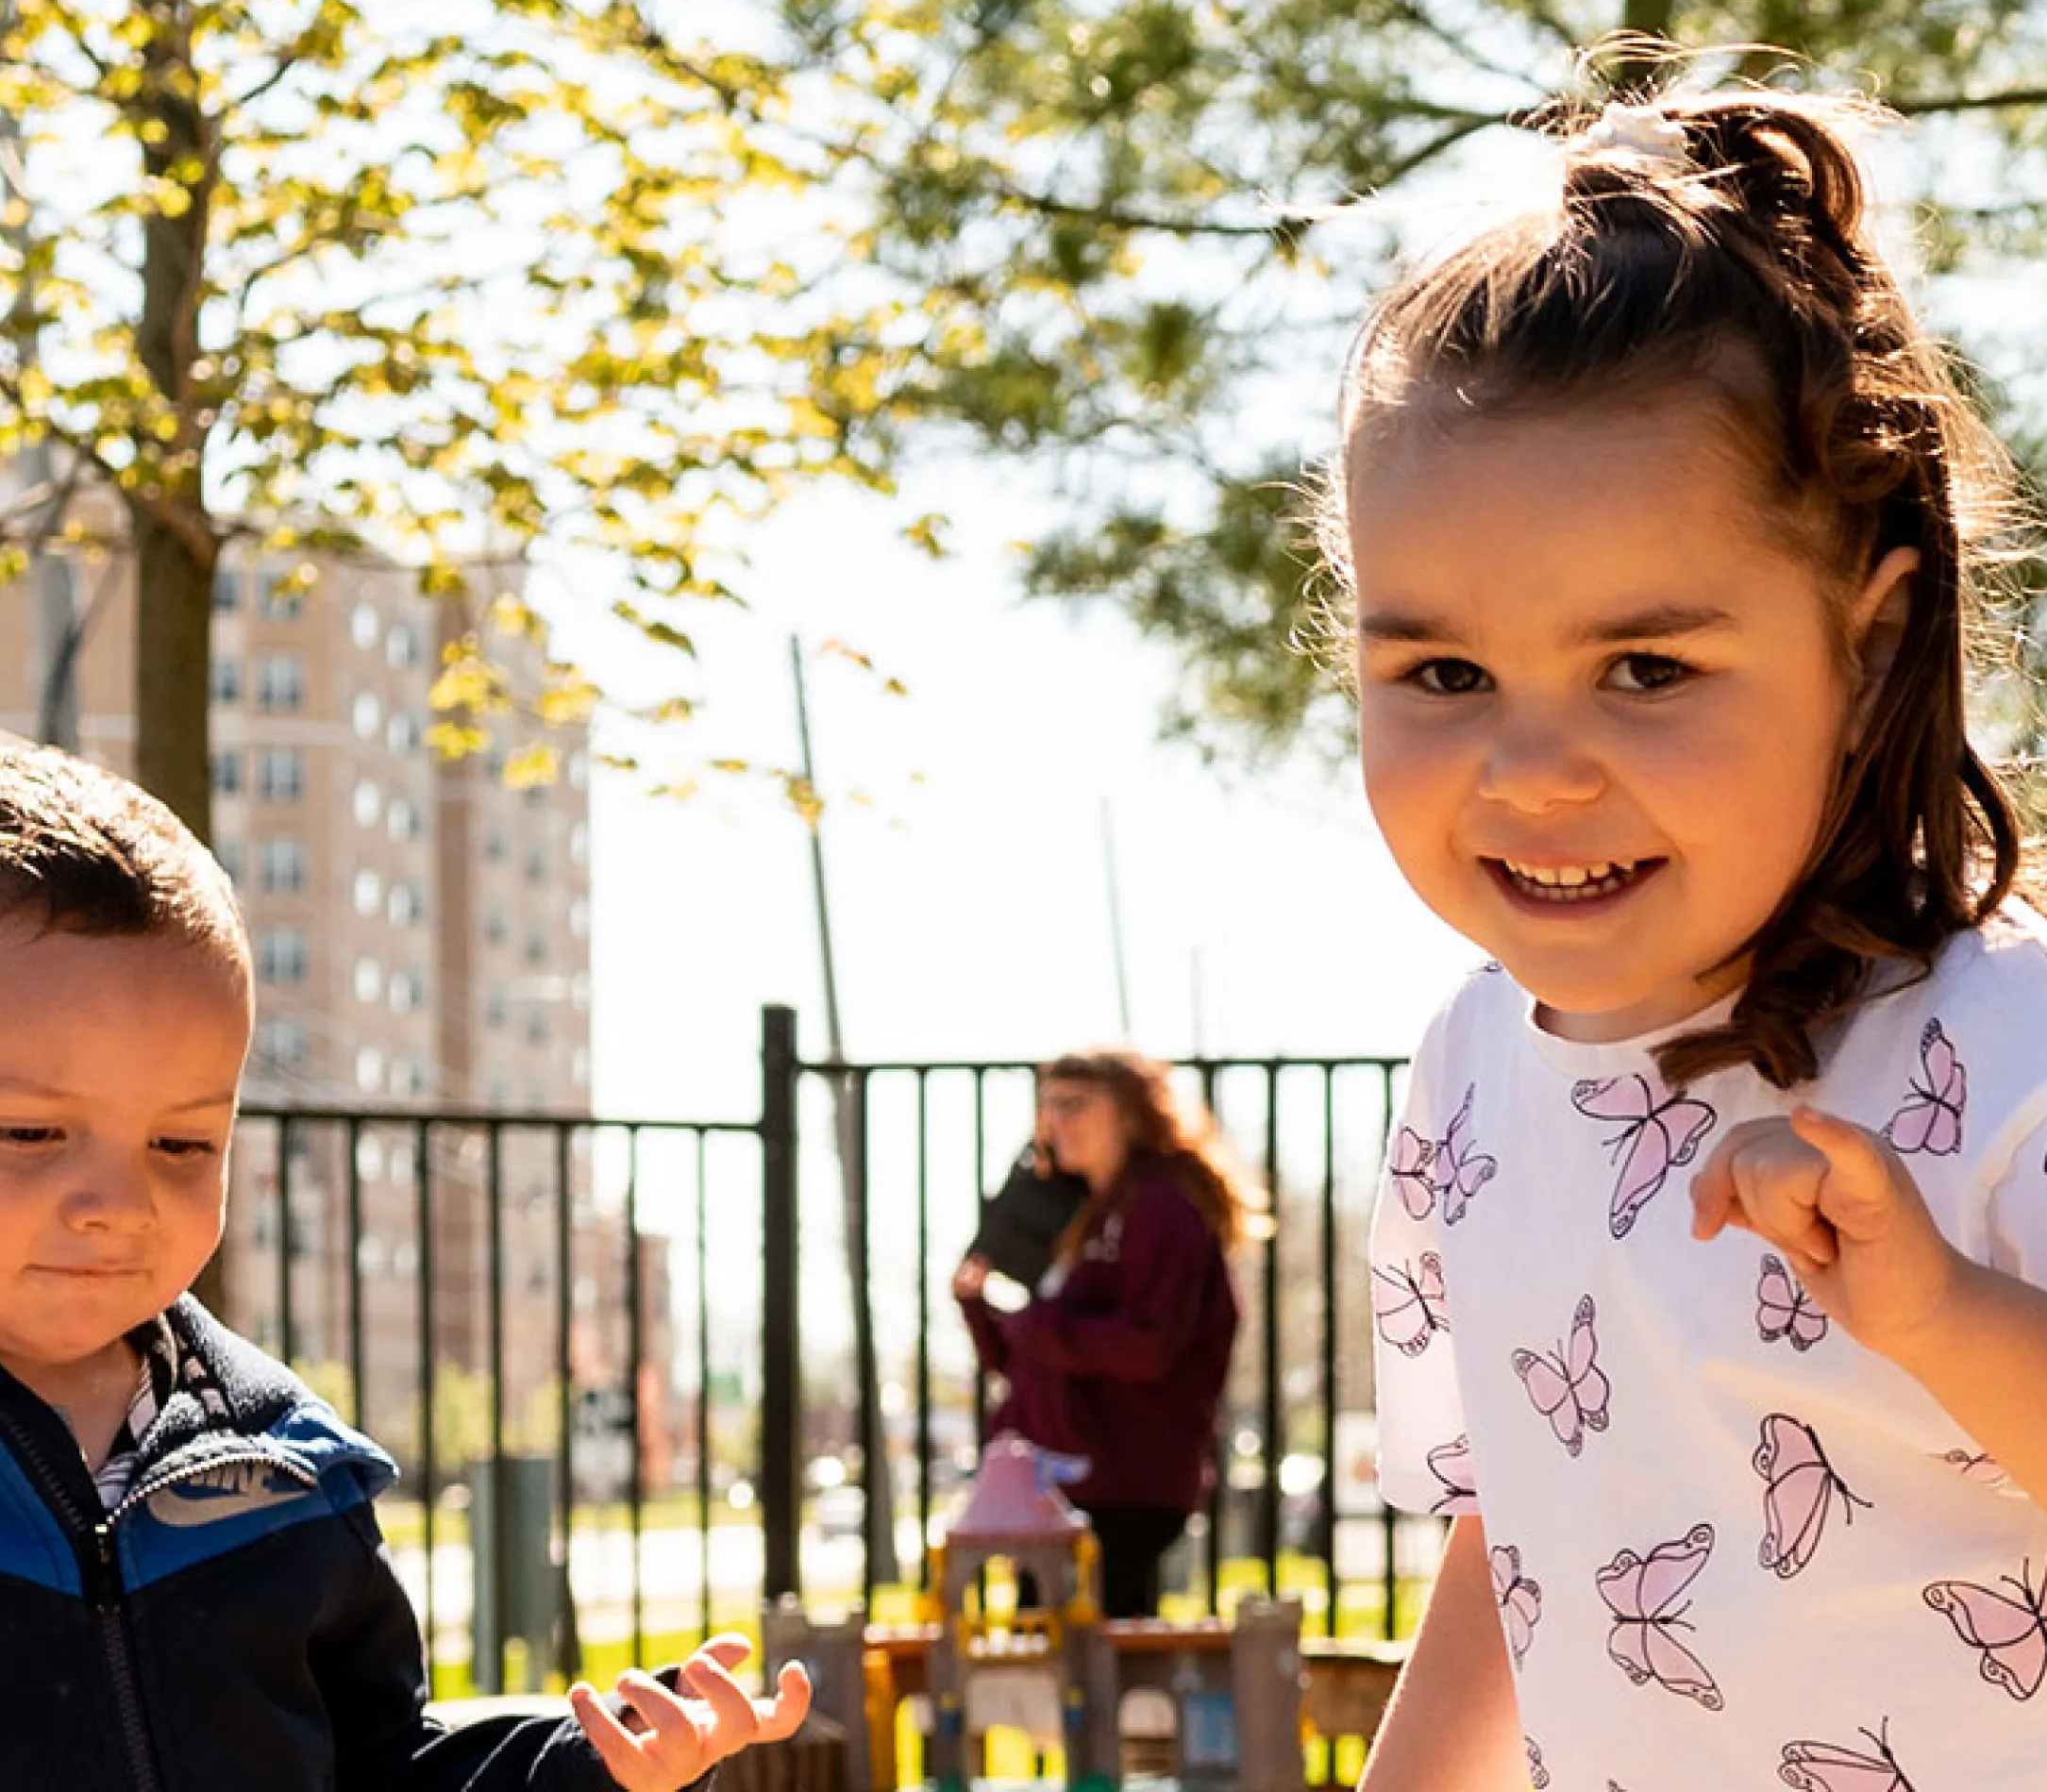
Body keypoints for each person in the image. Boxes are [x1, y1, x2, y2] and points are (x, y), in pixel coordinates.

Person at [1344, 88, 2047, 1792]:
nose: (1533, 771)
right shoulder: (1467, 1077)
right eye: (1444, 675)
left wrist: (1942, 1311)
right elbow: (1520, 1540)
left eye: (1647, 667)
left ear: (1868, 642)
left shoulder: (2000, 1030)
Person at [0, 737, 813, 1790]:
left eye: (182, 1145)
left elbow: (385, 1760)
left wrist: (588, 1768)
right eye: (26, 1134)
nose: (118, 1207)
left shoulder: (286, 1468)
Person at [952, 1047, 1260, 1618]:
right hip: (1066, 1482)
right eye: (1046, 1106)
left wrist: (1037, 1326)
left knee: (1094, 1668)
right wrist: (981, 1308)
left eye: (1074, 1104)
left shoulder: (1161, 1206)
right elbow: (1036, 1361)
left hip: (1121, 1483)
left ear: (1132, 1112)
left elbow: (1149, 1345)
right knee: (1051, 1661)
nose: (1054, 1122)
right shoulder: (1086, 1211)